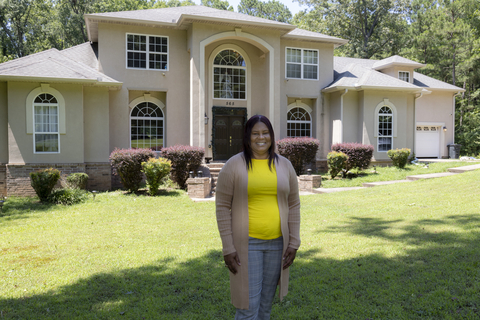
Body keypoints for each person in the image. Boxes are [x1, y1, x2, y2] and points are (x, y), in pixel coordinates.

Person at [216, 115, 301, 319]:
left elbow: (294, 204)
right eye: (255, 133)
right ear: (247, 137)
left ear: (271, 136)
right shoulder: (233, 165)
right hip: (247, 245)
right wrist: (228, 247)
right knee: (247, 308)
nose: (260, 138)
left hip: (277, 245)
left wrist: (294, 242)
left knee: (265, 307)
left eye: (265, 133)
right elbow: (222, 207)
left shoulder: (285, 166)